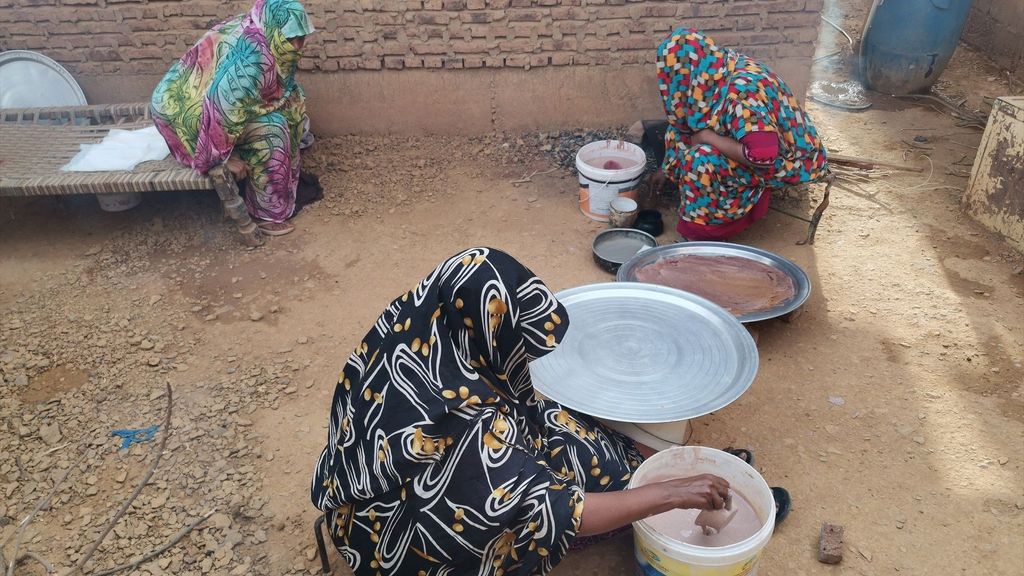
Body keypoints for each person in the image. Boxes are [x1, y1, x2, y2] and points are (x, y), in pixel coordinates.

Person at [310, 247, 732, 575]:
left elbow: (523, 406)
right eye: (519, 345)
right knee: (588, 502)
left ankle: (641, 464)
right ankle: (658, 480)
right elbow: (557, 511)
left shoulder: (412, 328)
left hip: (362, 501)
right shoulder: (466, 429)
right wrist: (669, 493)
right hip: (404, 548)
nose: (525, 358)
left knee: (554, 420)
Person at [150, 0, 314, 237]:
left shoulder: (262, 28)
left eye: (301, 37)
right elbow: (220, 108)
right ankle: (265, 213)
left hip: (198, 99)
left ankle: (275, 185)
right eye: (291, 38)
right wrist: (220, 160)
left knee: (291, 107)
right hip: (182, 112)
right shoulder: (253, 59)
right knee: (273, 129)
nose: (298, 46)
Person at [651, 28, 829, 241]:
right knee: (682, 127)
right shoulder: (715, 71)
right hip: (755, 142)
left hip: (787, 161)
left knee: (698, 159)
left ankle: (703, 233)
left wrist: (708, 137)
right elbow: (683, 127)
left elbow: (762, 157)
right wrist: (666, 168)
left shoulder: (741, 94)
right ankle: (697, 193)